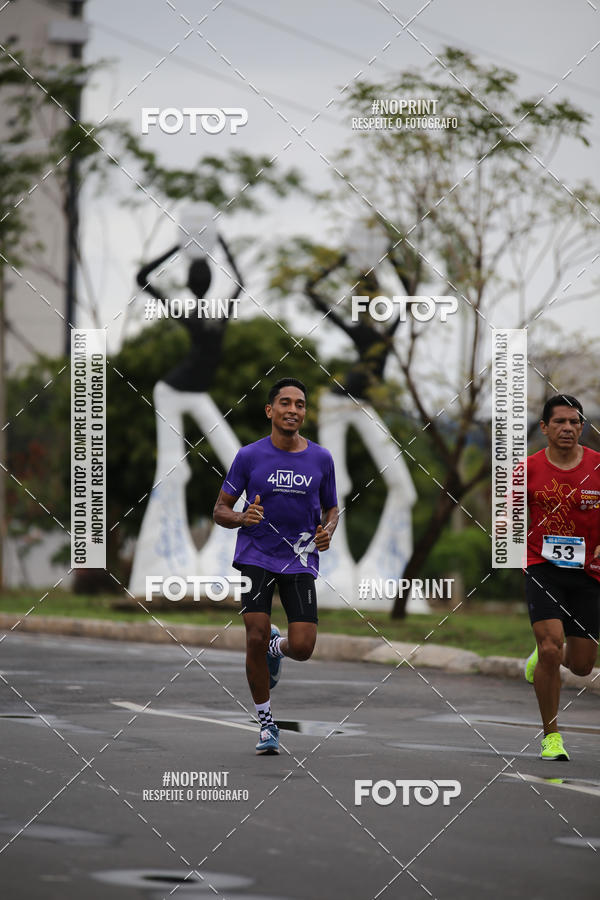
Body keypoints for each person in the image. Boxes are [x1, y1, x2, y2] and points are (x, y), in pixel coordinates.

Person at [213, 378, 338, 755]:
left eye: (300, 404)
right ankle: (266, 723)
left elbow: (332, 509)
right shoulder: (249, 457)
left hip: (299, 558)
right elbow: (219, 510)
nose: (293, 410)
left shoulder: (321, 459)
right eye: (285, 403)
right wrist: (241, 518)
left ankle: (277, 648)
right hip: (257, 556)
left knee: (302, 647)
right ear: (270, 410)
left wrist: (328, 530)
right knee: (253, 633)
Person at [524, 394, 600, 760]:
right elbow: (506, 517)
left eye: (574, 422)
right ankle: (551, 737)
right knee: (551, 645)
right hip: (542, 565)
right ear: (544, 428)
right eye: (559, 422)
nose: (567, 428)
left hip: (589, 571)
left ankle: (541, 658)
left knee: (584, 665)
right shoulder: (526, 470)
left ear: (582, 427)